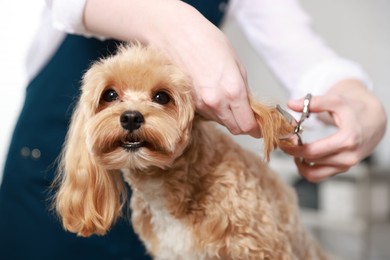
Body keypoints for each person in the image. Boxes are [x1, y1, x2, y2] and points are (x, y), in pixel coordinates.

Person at [0, 0, 386, 259]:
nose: (132, 112)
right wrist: (171, 19)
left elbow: (304, 53)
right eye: (113, 95)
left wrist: (363, 106)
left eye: (162, 97)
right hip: (46, 157)